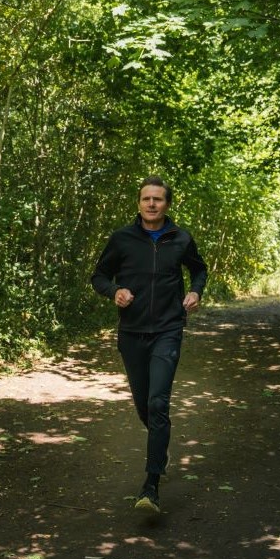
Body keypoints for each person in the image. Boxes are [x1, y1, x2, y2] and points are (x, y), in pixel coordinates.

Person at [91, 175, 208, 513]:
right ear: (139, 203)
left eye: (158, 199)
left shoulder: (181, 239)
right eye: (146, 199)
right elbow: (99, 275)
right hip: (131, 333)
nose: (152, 204)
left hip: (168, 330)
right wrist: (115, 291)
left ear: (167, 204)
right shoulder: (122, 239)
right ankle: (162, 446)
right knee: (144, 404)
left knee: (158, 404)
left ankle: (150, 486)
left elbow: (199, 270)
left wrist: (195, 291)